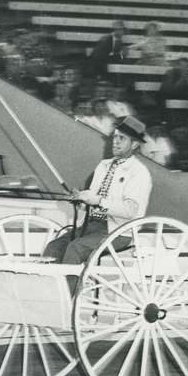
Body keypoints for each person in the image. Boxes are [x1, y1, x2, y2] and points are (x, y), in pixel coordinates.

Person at [44, 116, 152, 291]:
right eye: (115, 137)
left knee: (75, 248)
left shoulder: (139, 173)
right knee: (54, 247)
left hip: (118, 231)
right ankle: (48, 296)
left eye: (121, 138)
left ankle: (67, 303)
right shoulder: (104, 165)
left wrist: (99, 201)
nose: (115, 142)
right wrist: (80, 199)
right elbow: (92, 200)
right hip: (91, 226)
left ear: (134, 145)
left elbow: (131, 210)